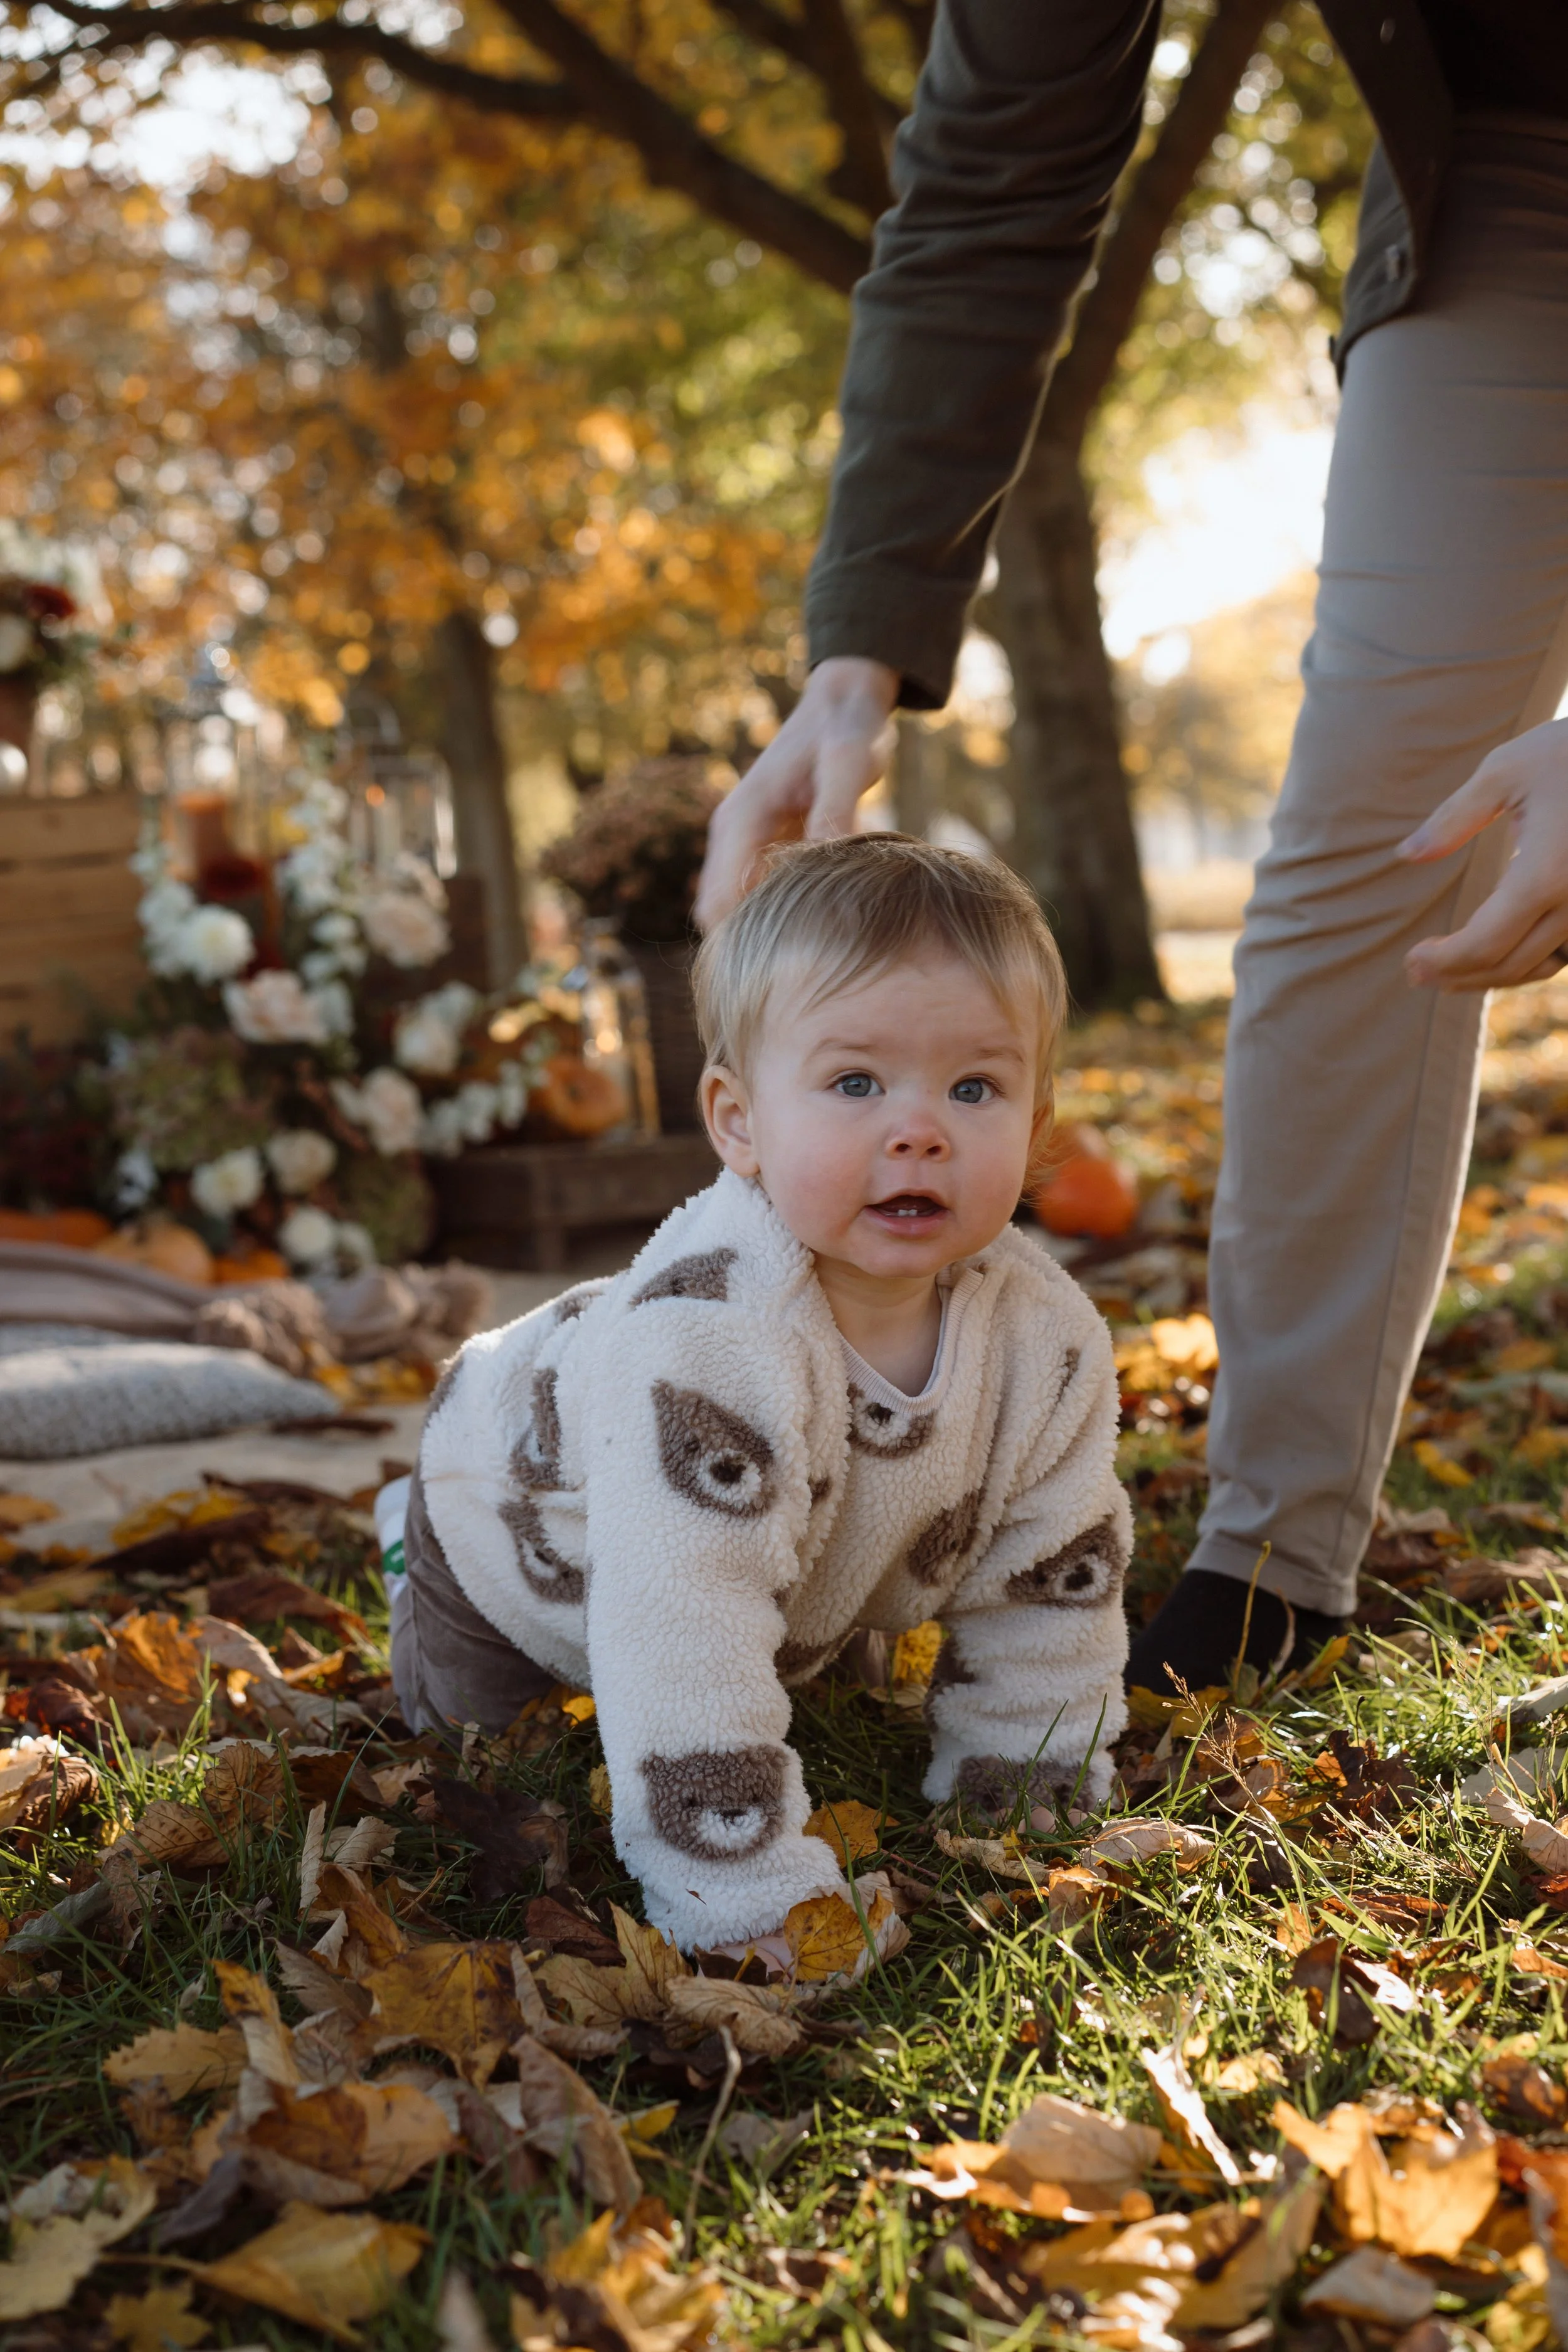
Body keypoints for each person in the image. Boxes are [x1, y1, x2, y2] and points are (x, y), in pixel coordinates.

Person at [694, 2, 1568, 1695]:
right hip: (1514, 142)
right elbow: (985, 184)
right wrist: (847, 674)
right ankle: (1277, 1549)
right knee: (1384, 840)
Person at [391, 837, 1128, 1949]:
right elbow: (677, 1634)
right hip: (512, 1531)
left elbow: (1051, 1574)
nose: (918, 1127)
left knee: (792, 1615)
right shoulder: (707, 1347)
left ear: (1035, 1127)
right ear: (739, 1121)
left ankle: (805, 1623)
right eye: (855, 1083)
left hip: (797, 1547)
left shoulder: (1049, 1342)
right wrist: (747, 1897)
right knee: (492, 1785)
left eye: (974, 1086)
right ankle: (401, 1562)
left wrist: (1030, 1774)